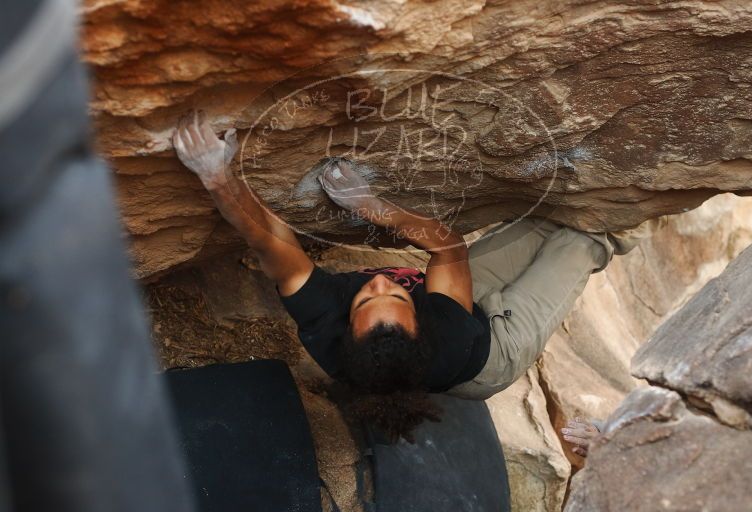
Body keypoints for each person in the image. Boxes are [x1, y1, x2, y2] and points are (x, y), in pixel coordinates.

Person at [172, 111, 645, 438]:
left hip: (455, 307)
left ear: (346, 327)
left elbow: (267, 238)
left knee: (541, 220)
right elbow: (446, 244)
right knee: (584, 237)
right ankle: (638, 217)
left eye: (365, 298)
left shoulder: (323, 321)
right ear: (421, 324)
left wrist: (218, 177)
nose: (378, 283)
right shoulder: (449, 336)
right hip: (491, 353)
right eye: (394, 297)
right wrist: (378, 211)